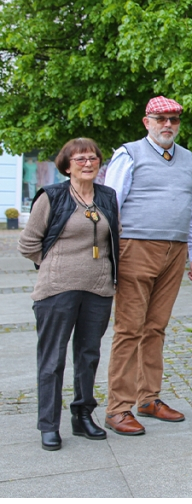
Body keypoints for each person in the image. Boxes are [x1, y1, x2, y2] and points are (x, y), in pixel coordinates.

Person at [104, 96, 192, 435]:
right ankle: (118, 407)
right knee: (129, 328)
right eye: (160, 119)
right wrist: (112, 253)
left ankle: (148, 398)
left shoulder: (190, 160)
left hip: (174, 250)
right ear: (146, 121)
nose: (168, 125)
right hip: (135, 246)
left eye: (174, 120)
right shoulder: (129, 153)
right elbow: (111, 204)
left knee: (156, 327)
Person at [18, 139, 118, 451]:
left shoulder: (107, 196)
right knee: (52, 360)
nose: (88, 164)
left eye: (93, 158)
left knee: (88, 357)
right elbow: (28, 243)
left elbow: (113, 239)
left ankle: (83, 416)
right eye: (80, 159)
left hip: (98, 290)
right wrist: (54, 266)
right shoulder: (52, 197)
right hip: (56, 290)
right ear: (67, 165)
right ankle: (49, 425)